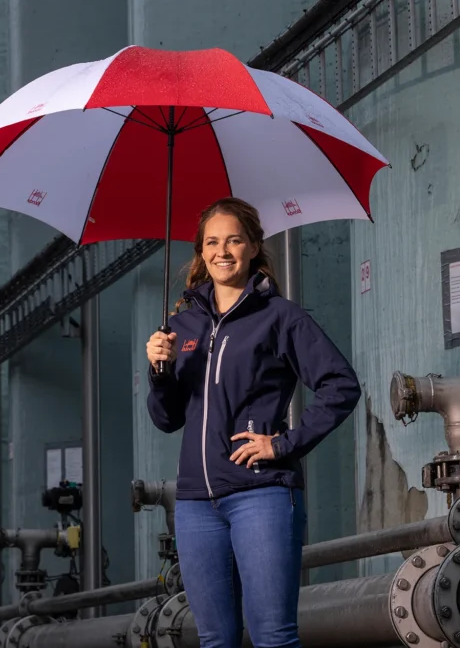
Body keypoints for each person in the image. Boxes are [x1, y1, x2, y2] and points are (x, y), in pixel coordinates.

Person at [144, 198, 360, 648]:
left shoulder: (281, 317)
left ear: (254, 247)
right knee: (214, 640)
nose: (223, 251)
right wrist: (159, 371)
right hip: (195, 504)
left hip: (261, 496)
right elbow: (166, 420)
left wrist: (282, 445)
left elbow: (341, 386)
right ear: (201, 252)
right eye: (212, 242)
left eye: (234, 240)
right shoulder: (180, 326)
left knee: (272, 637)